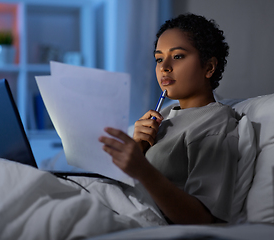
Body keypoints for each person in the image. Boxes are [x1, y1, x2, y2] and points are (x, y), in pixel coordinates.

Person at [99, 13, 239, 224]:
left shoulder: (216, 121)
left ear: (209, 67)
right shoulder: (164, 113)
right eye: (158, 58)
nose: (164, 66)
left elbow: (203, 218)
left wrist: (142, 169)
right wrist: (138, 147)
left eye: (178, 56)